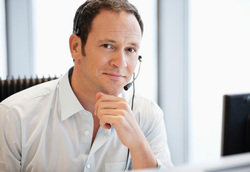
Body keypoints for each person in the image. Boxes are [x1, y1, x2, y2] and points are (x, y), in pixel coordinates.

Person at [0, 0, 173, 171]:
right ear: (76, 47)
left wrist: (138, 145)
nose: (121, 63)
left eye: (130, 50)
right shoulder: (14, 117)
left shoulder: (148, 115)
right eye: (108, 46)